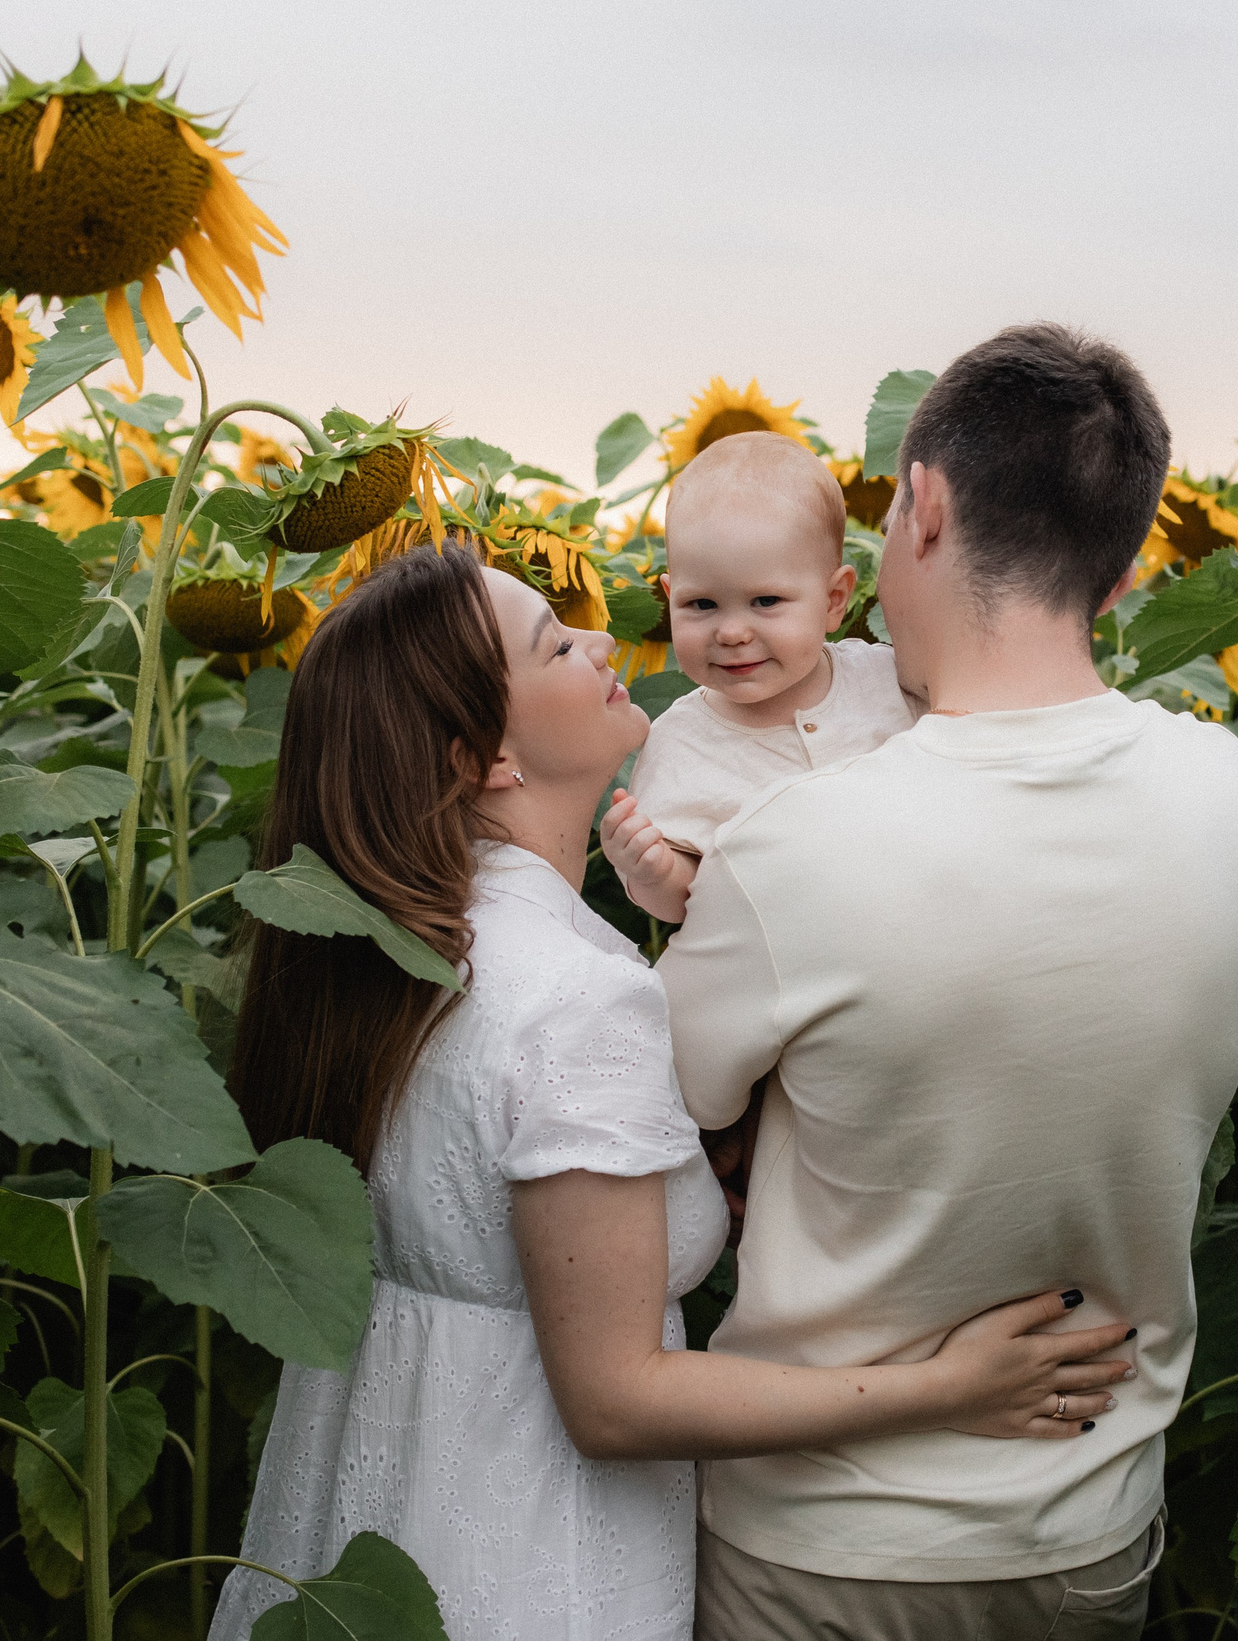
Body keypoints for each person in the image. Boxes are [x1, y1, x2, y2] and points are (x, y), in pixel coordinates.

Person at [207, 543, 1137, 1641]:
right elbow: (616, 1400)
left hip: (357, 1520)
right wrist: (955, 1387)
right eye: (555, 644)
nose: (602, 640)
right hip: (534, 1563)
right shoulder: (574, 996)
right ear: (487, 756)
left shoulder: (392, 957)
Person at [660, 323, 1238, 1639]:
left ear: (924, 507)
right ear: (1115, 572)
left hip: (829, 1539)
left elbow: (665, 1106)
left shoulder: (794, 852)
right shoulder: (1223, 797)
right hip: (1095, 1525)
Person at [601, 431, 922, 925]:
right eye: (700, 604)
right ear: (669, 598)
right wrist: (655, 872)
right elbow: (683, 905)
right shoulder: (679, 746)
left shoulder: (889, 681)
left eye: (766, 602)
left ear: (834, 600)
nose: (730, 632)